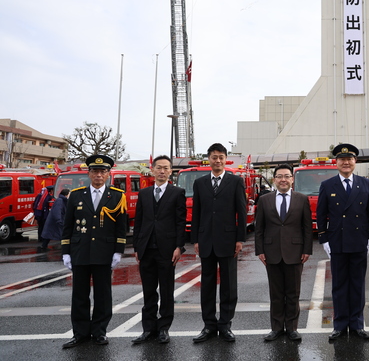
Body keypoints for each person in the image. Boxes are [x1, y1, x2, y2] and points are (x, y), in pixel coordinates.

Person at [61, 154, 127, 348]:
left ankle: (99, 331)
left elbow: (121, 227)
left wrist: (118, 251)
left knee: (102, 294)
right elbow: (68, 226)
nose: (99, 175)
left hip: (104, 252)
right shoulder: (76, 195)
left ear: (108, 174)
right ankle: (80, 333)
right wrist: (66, 251)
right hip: (80, 250)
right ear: (88, 174)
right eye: (95, 171)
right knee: (79, 294)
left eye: (103, 171)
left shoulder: (117, 196)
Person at [316, 143, 369, 341]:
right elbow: (321, 214)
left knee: (358, 285)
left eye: (349, 159)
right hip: (337, 242)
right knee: (339, 285)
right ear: (336, 163)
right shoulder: (327, 185)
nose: (346, 163)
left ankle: (357, 324)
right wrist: (324, 238)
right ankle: (340, 325)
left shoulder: (365, 183)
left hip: (359, 241)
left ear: (355, 162)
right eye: (342, 160)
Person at [190, 143, 247, 343]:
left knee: (229, 286)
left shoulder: (235, 181)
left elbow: (242, 211)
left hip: (228, 240)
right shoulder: (200, 183)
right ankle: (208, 325)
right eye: (214, 157)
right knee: (207, 285)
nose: (218, 160)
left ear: (225, 159)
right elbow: (196, 212)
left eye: (221, 157)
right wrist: (195, 239)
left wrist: (240, 239)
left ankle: (225, 325)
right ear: (209, 159)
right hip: (205, 240)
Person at [131, 155, 186, 344]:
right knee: (148, 291)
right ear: (152, 170)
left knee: (166, 290)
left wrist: (179, 246)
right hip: (146, 249)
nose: (162, 171)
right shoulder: (144, 193)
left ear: (171, 171)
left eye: (166, 168)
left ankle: (163, 328)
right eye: (159, 168)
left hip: (167, 249)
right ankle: (148, 328)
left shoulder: (177, 192)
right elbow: (138, 221)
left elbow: (180, 222)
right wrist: (137, 245)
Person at [255, 164, 312, 342]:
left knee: (293, 293)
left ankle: (292, 328)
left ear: (292, 179)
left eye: (287, 176)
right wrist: (260, 251)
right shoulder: (264, 200)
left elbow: (307, 228)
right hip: (271, 252)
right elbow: (259, 229)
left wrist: (306, 250)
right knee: (276, 293)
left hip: (295, 252)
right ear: (274, 179)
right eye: (279, 176)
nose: (283, 179)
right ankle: (277, 328)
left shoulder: (302, 199)